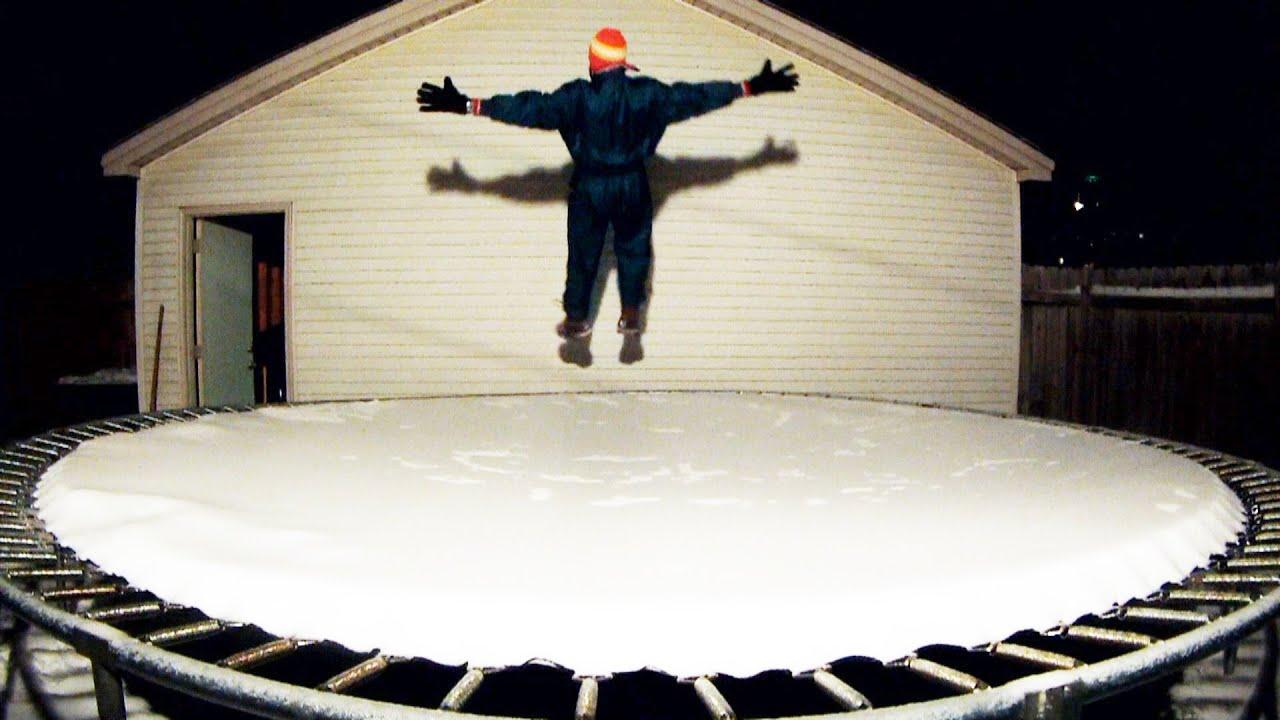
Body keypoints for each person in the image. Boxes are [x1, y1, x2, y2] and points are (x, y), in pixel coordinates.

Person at [417, 28, 798, 338]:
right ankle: (631, 311)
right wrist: (747, 87)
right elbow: (694, 96)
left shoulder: (576, 98)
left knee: (583, 253)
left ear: (593, 64)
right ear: (623, 65)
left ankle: (577, 317)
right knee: (634, 247)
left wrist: (470, 105)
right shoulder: (647, 94)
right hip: (632, 184)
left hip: (590, 187)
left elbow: (528, 107)